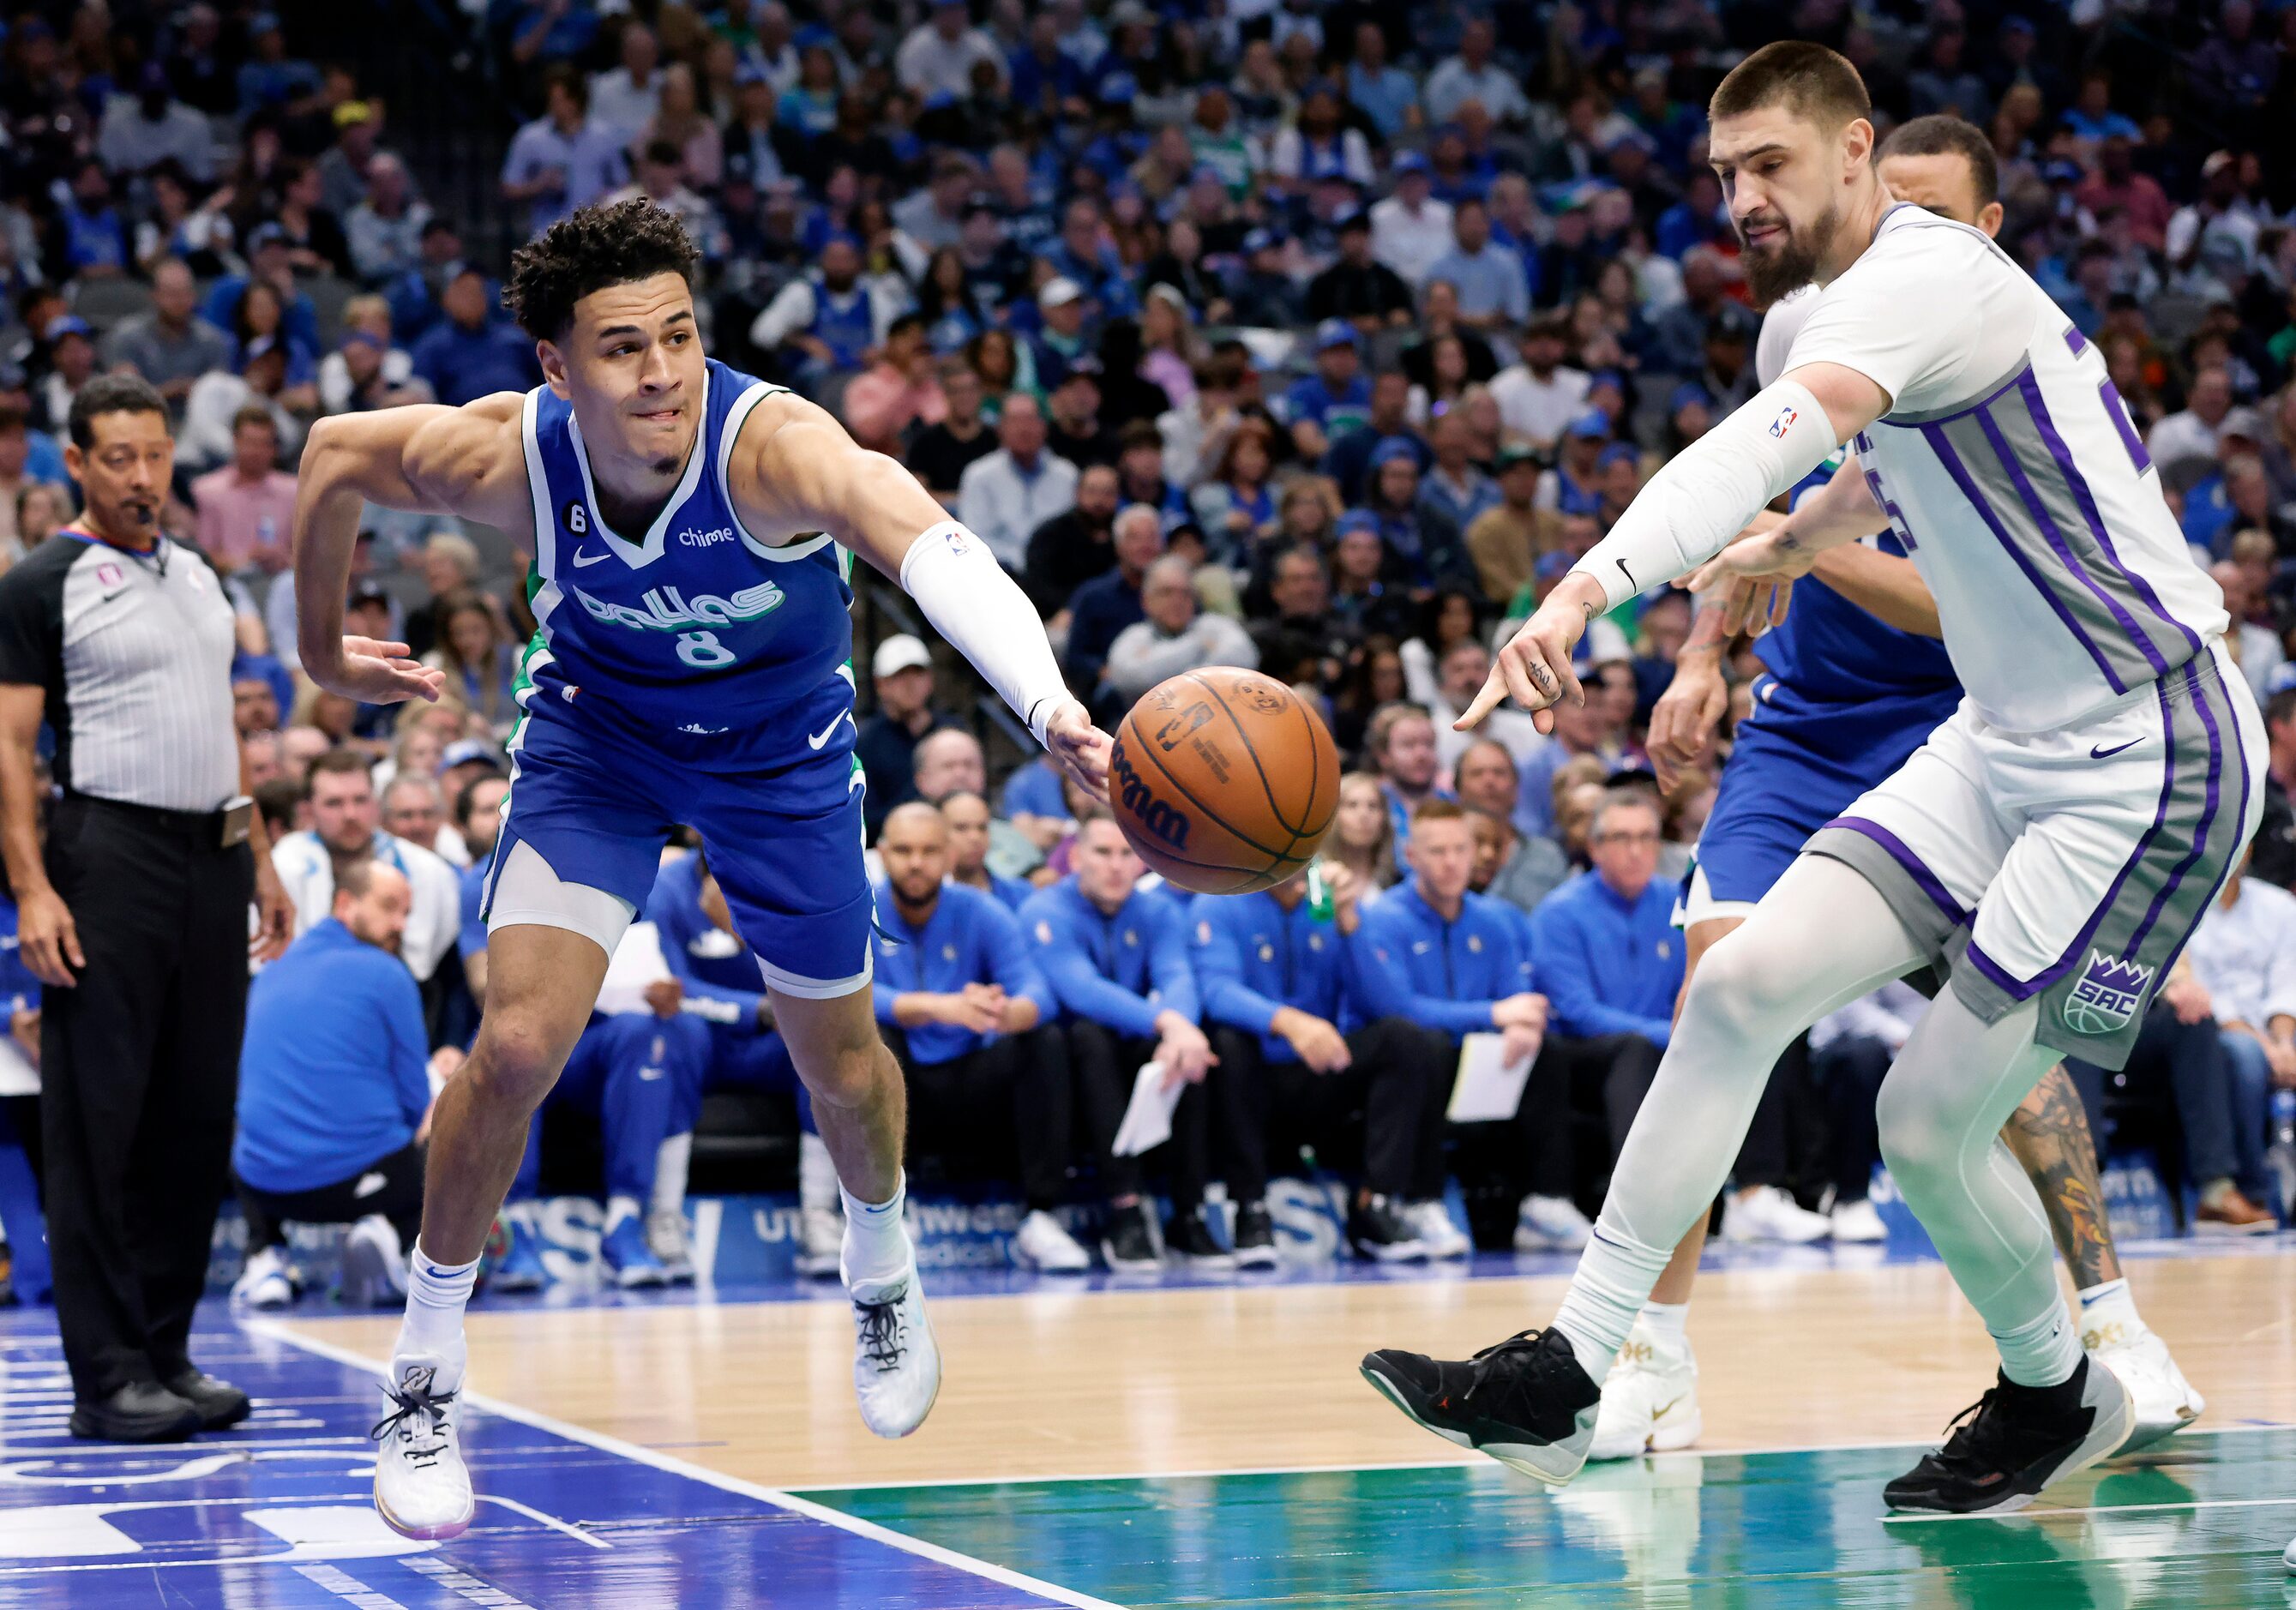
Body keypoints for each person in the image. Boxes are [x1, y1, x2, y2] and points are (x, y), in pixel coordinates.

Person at [1363, 53, 2253, 1516]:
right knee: (1734, 988)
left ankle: (2062, 1378)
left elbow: (1762, 443)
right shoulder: (1838, 317)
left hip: (2146, 751)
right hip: (2003, 737)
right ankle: (1572, 1368)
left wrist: (1584, 592)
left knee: (1923, 1122)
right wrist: (1782, 549)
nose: (1739, 198)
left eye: (1768, 164)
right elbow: (1866, 471)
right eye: (1721, 174)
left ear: (1856, 154)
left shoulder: (1926, 272)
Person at [292, 198, 1108, 1541]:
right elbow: (329, 456)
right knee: (510, 1051)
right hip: (596, 749)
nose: (661, 370)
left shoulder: (772, 447)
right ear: (556, 366)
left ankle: (881, 1262)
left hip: (779, 761)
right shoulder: (512, 455)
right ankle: (422, 1378)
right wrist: (323, 653)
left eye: (677, 334)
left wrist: (1045, 704)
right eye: (620, 348)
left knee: (840, 1068)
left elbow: (929, 541)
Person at [1572, 112, 2209, 1465]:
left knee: (1986, 1070)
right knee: (1719, 989)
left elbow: (1934, 597)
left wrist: (1794, 552)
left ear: (1974, 236)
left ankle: (2103, 1328)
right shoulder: (1824, 325)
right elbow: (1760, 517)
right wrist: (1699, 653)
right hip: (1803, 729)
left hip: (1971, 708)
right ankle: (1646, 1352)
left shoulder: (1976, 349)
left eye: (1912, 207)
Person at [0, 375, 293, 1441]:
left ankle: (166, 1351)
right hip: (105, 857)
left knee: (194, 1115)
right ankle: (106, 1374)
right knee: (99, 1120)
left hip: (212, 856)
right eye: (117, 457)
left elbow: (217, 722)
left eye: (156, 455)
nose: (140, 476)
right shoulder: (43, 581)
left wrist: (257, 856)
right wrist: (31, 887)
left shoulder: (201, 575)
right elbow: (8, 749)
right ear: (74, 463)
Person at [1194, 860, 1458, 1264]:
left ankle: (1377, 1203)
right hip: (1252, 1082)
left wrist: (1351, 924)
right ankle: (1249, 1208)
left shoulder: (1327, 905)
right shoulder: (1221, 902)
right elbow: (1216, 992)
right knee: (1229, 1042)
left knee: (1403, 1039)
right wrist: (1287, 1022)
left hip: (1319, 1079)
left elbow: (1387, 1004)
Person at [871, 803, 1086, 1271]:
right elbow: (845, 995)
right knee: (871, 1037)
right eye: (904, 850)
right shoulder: (858, 912)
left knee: (1043, 1039)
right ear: (882, 854)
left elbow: (1038, 992)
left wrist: (1005, 1013)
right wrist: (937, 1006)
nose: (915, 862)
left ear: (949, 856)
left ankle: (1042, 1218)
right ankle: (887, 1218)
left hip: (972, 1079)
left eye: (929, 851)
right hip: (903, 1085)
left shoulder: (981, 910)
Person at [232, 861, 448, 1312]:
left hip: (263, 1184)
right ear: (345, 904)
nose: (400, 925)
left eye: (406, 913)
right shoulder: (389, 975)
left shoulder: (270, 970)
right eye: (390, 908)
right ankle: (396, 1239)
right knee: (448, 1111)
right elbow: (414, 1101)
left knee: (248, 1124)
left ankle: (265, 1256)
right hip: (375, 1181)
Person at [1355, 802, 1565, 1245]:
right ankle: (1421, 1201)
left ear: (1476, 854)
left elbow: (1518, 1000)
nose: (1450, 862)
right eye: (1437, 851)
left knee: (1547, 1049)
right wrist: (1493, 1015)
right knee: (1421, 1044)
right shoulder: (1383, 919)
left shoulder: (1494, 920)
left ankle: (1546, 1201)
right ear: (1410, 857)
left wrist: (1523, 1025)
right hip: (1410, 1064)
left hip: (1477, 1065)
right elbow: (1397, 1008)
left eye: (1459, 849)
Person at [1021, 810, 1215, 1270]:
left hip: (1136, 1040)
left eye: (1128, 854)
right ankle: (1124, 1211)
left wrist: (1180, 1031)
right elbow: (1080, 988)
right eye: (1103, 852)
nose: (1115, 865)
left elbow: (1178, 976)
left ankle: (1190, 1213)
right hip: (1064, 1057)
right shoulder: (1044, 909)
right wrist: (1168, 1022)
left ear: (1143, 862)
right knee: (1090, 1037)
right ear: (1075, 859)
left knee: (1195, 1050)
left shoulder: (1158, 910)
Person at [1523, 794, 1680, 1204]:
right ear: (1594, 848)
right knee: (1634, 1049)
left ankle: (1755, 1192)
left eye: (1647, 838)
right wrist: (1671, 1035)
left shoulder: (1677, 904)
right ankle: (1634, 1201)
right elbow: (1579, 1012)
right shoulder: (1560, 912)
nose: (1635, 851)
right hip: (1587, 1053)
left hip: (1665, 1044)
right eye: (1621, 838)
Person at [271, 749, 462, 988]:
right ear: (308, 810)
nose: (350, 814)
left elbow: (423, 962)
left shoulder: (424, 868)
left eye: (360, 800)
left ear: (375, 803)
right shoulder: (283, 863)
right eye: (334, 803)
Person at [1103, 554, 1258, 706]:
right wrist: (1198, 647)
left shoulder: (1214, 625)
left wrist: (1164, 668)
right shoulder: (1133, 636)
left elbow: (1246, 657)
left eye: (1185, 593)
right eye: (1167, 592)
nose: (1177, 601)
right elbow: (1130, 678)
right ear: (1146, 600)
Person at [853, 634, 961, 833]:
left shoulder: (952, 732)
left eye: (918, 673)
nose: (910, 683)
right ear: (880, 684)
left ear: (930, 680)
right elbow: (864, 815)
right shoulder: (866, 741)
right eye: (899, 676)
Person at [191, 406, 298, 575]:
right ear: (235, 441)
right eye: (250, 443)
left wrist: (286, 560)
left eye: (264, 444)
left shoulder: (294, 491)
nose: (256, 452)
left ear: (274, 449)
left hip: (285, 580)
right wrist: (245, 561)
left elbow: (308, 553)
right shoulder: (207, 491)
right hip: (232, 583)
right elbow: (204, 556)